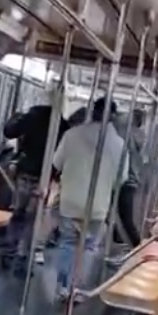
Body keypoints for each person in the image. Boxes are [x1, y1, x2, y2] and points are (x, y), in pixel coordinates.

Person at [52, 97, 126, 302]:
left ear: (93, 111)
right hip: (98, 205)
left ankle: (63, 286)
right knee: (88, 247)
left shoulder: (71, 134)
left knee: (67, 243)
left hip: (71, 200)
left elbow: (56, 163)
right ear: (112, 117)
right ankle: (77, 288)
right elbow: (123, 178)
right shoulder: (119, 144)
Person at [2, 104, 68, 274]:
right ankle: (23, 260)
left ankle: (9, 253)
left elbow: (9, 131)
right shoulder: (61, 124)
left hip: (25, 173)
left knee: (18, 215)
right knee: (33, 220)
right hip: (44, 178)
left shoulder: (32, 116)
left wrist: (14, 117)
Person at [113, 108, 143, 249]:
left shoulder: (127, 135)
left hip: (125, 180)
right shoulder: (137, 135)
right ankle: (117, 236)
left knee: (126, 218)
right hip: (130, 180)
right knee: (113, 212)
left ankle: (137, 247)